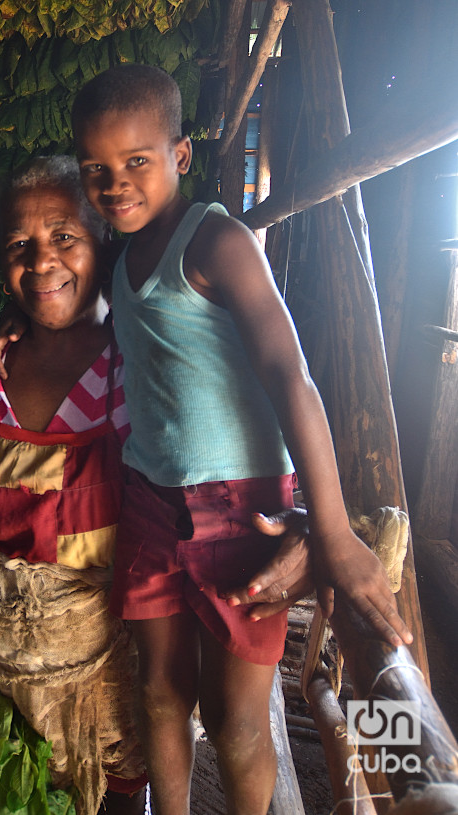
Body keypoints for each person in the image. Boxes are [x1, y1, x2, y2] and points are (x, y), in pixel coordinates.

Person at [0, 156, 311, 815]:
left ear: (103, 247)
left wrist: (304, 518)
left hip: (107, 714)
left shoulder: (141, 365)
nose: (42, 261)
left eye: (65, 237)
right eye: (19, 244)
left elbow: (248, 432)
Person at [44, 64, 410, 815]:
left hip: (243, 509)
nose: (115, 185)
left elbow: (290, 376)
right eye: (96, 170)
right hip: (148, 500)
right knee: (159, 691)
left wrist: (333, 532)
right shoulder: (119, 261)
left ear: (179, 156)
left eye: (136, 162)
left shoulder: (216, 241)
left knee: (237, 717)